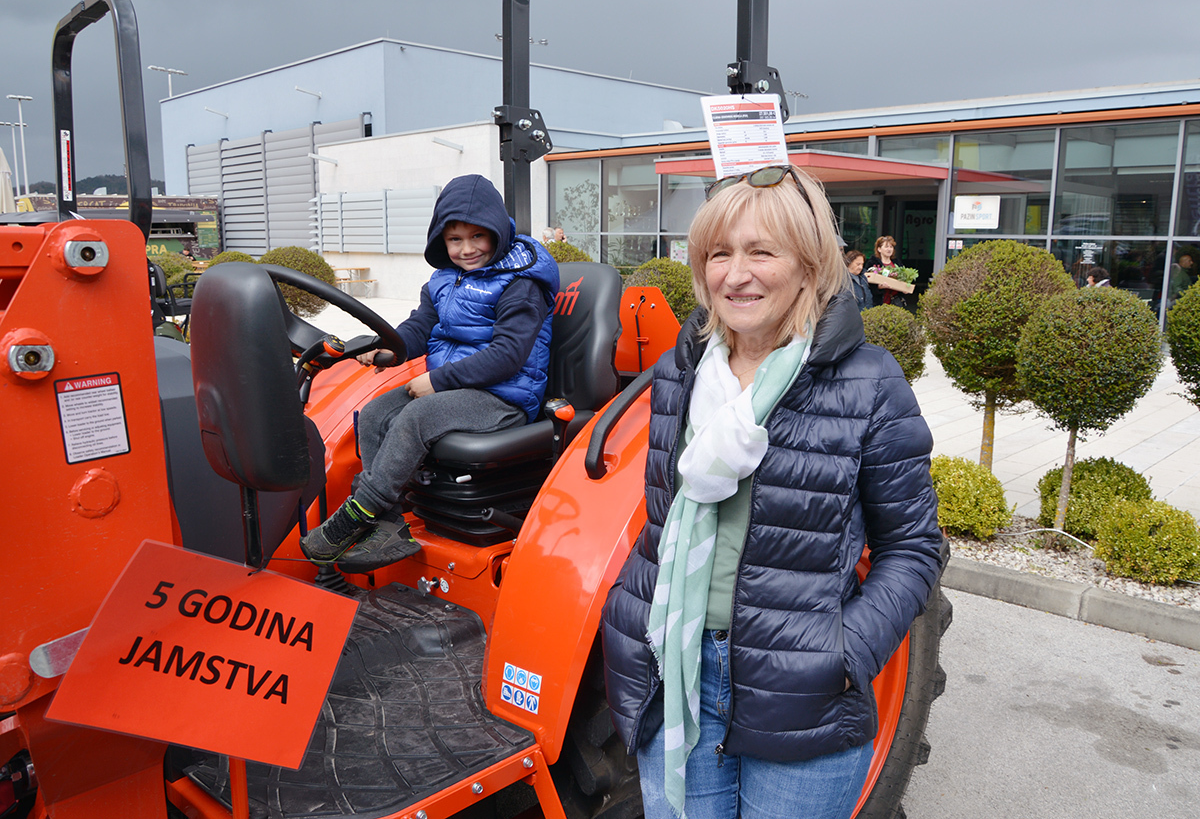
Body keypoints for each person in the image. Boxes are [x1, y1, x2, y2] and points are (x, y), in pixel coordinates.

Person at [600, 164, 942, 819]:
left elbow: (914, 549)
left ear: (809, 265)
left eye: (761, 251)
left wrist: (846, 653)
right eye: (719, 254)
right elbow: (662, 518)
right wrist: (631, 609)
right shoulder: (682, 370)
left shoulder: (868, 383)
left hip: (801, 685)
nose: (735, 274)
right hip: (675, 668)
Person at [300, 174, 560, 572]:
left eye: (478, 237)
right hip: (455, 389)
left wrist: (438, 381)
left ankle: (359, 514)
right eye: (455, 239)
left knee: (415, 416)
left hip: (504, 397)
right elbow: (421, 326)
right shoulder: (443, 280)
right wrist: (389, 349)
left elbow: (508, 356)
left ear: (497, 233)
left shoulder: (521, 283)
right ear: (441, 239)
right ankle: (388, 526)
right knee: (372, 414)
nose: (467, 249)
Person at [865, 235, 904, 305]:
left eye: (891, 247)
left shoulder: (897, 263)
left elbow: (904, 279)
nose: (889, 249)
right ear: (879, 249)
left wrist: (904, 288)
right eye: (886, 247)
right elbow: (866, 281)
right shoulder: (873, 263)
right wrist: (878, 287)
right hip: (879, 301)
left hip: (895, 301)